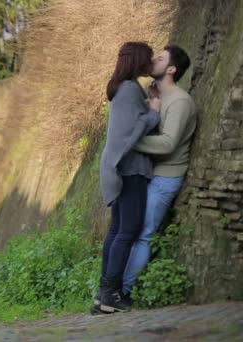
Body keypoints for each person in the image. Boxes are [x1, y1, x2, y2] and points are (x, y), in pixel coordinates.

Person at [122, 45, 194, 297]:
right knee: (131, 231)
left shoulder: (180, 101)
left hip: (166, 177)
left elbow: (168, 143)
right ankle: (119, 288)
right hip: (149, 173)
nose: (153, 60)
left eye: (160, 58)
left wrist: (129, 142)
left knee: (144, 233)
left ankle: (125, 291)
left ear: (172, 69)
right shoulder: (155, 97)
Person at [95, 41, 161, 314]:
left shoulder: (122, 88)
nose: (151, 60)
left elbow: (128, 125)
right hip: (130, 170)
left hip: (116, 169)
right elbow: (134, 132)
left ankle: (103, 294)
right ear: (137, 61)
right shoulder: (131, 89)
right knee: (127, 232)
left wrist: (146, 107)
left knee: (116, 231)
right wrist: (154, 112)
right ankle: (111, 294)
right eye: (148, 57)